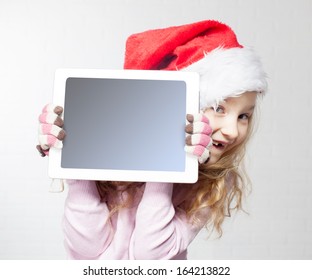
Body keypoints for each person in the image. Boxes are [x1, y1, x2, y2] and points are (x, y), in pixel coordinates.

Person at [37, 20, 267, 260]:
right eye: (218, 108)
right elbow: (86, 252)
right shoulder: (110, 154)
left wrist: (167, 165)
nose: (232, 130)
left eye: (244, 116)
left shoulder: (217, 181)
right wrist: (75, 160)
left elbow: (151, 258)